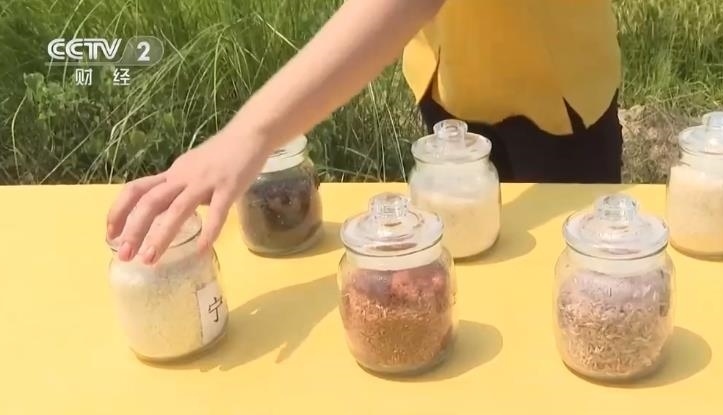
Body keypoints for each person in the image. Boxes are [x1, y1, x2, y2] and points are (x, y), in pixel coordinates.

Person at [106, 0, 624, 265]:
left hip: (555, 94)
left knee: (566, 267)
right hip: (446, 75)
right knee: (462, 251)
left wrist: (249, 135)